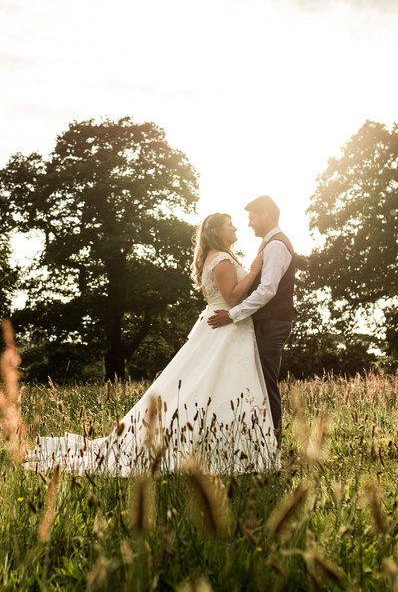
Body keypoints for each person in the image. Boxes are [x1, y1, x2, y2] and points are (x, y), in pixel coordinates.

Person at [24, 213, 280, 476]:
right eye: (230, 224)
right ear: (216, 230)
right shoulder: (222, 259)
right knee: (221, 384)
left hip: (220, 326)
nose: (236, 226)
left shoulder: (212, 257)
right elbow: (233, 295)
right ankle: (224, 447)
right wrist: (254, 269)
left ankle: (226, 444)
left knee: (213, 384)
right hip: (226, 326)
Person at [208, 196, 296, 447]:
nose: (248, 224)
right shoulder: (269, 245)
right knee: (259, 382)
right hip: (267, 321)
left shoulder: (276, 246)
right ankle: (261, 442)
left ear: (265, 215)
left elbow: (267, 290)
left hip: (271, 323)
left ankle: (274, 446)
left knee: (267, 385)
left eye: (251, 217)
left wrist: (232, 315)